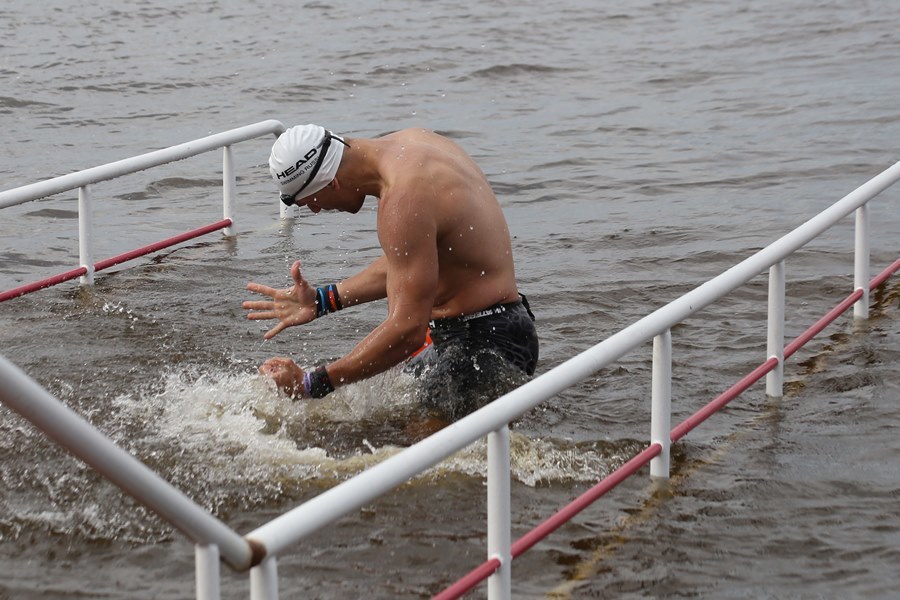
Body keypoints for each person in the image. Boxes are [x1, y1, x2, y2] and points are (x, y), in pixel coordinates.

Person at [243, 124, 538, 423]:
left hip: (484, 347)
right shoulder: (413, 144)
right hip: (496, 326)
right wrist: (323, 300)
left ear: (332, 183)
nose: (317, 211)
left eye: (311, 202)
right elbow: (413, 258)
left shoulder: (403, 200)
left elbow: (407, 332)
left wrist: (311, 384)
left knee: (414, 448)